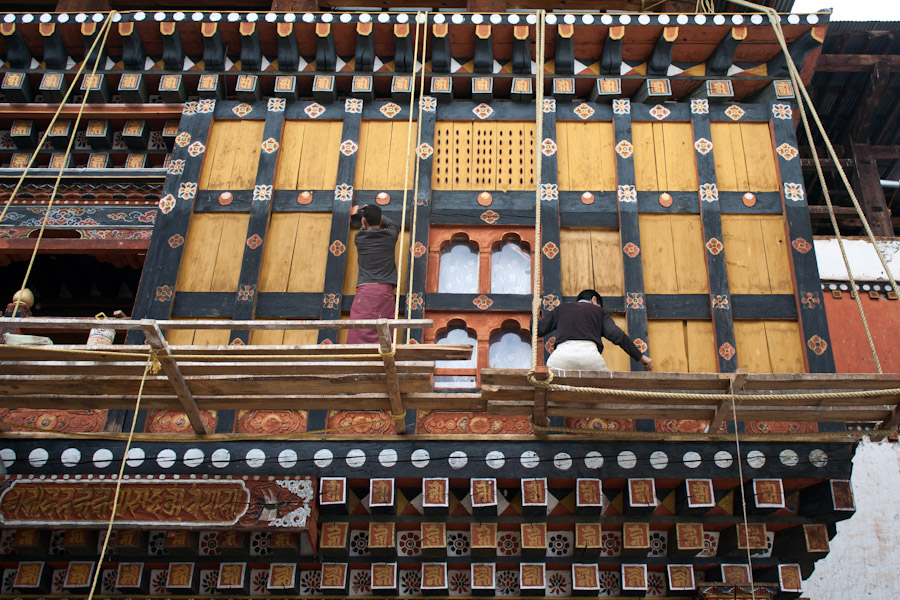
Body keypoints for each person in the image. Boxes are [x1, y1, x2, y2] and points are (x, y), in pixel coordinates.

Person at [537, 289, 652, 372]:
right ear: (594, 300)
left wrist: (535, 311)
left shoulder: (561, 309)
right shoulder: (598, 311)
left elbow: (537, 331)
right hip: (589, 357)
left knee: (550, 387)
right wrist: (641, 357)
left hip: (561, 358)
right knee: (608, 390)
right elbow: (617, 335)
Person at [347, 204, 400, 344]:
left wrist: (363, 213)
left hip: (365, 291)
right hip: (384, 291)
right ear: (381, 220)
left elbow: (364, 227)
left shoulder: (359, 238)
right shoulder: (391, 235)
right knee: (384, 328)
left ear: (364, 221)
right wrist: (377, 215)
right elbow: (393, 224)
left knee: (359, 327)